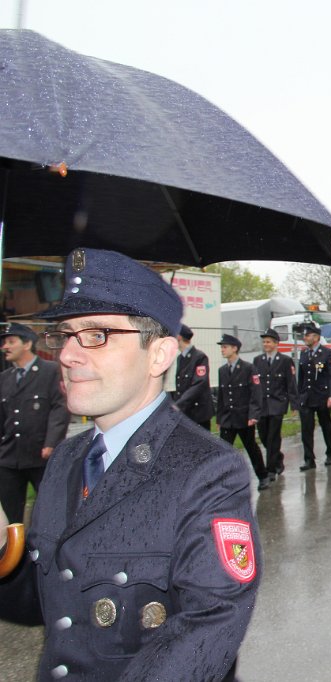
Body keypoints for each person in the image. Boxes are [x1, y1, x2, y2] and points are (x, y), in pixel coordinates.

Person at [0, 247, 261, 680]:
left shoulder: (208, 470)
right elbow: (53, 605)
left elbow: (208, 625)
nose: (67, 354)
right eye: (64, 335)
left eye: (96, 335)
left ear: (158, 354)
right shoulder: (67, 459)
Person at [0, 323, 69, 524]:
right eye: (4, 342)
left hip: (40, 455)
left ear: (27, 344)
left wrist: (51, 442)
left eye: (11, 342)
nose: (5, 346)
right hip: (9, 457)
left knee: (48, 511)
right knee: (11, 516)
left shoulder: (50, 371)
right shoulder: (5, 378)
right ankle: (14, 555)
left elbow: (60, 407)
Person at [216, 334, 270, 491]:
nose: (222, 350)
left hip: (244, 417)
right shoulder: (222, 371)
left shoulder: (248, 368)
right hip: (228, 418)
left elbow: (256, 393)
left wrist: (253, 415)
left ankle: (263, 476)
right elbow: (221, 395)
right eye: (221, 347)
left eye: (225, 347)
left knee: (251, 448)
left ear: (235, 348)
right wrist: (219, 418)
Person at [251, 328, 298, 479]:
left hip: (277, 403)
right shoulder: (258, 360)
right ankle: (278, 459)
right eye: (264, 342)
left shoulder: (285, 361)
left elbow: (291, 384)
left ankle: (270, 469)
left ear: (276, 343)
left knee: (273, 437)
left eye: (268, 341)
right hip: (262, 405)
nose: (266, 344)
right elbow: (255, 384)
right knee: (264, 436)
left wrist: (294, 405)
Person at [297, 323, 331, 470]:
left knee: (326, 425)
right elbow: (301, 378)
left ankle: (330, 453)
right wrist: (299, 397)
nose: (305, 338)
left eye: (307, 335)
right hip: (307, 397)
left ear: (316, 337)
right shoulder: (304, 353)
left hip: (322, 396)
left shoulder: (327, 353)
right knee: (306, 429)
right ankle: (309, 459)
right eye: (305, 335)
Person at [173, 323, 214, 430]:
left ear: (178, 337)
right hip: (186, 412)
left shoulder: (199, 357)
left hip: (199, 413)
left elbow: (200, 383)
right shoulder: (180, 358)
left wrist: (180, 404)